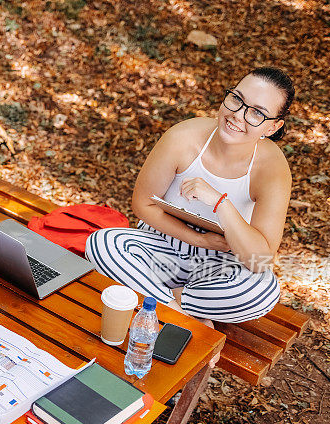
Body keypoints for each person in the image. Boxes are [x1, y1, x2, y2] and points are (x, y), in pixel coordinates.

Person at [86, 67, 295, 326]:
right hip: (162, 247)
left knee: (263, 291)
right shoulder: (183, 137)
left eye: (257, 113)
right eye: (237, 99)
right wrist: (197, 238)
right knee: (103, 243)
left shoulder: (272, 168)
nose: (238, 115)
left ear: (273, 126)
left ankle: (164, 299)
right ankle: (185, 319)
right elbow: (143, 203)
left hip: (219, 262)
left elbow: (261, 258)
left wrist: (221, 203)